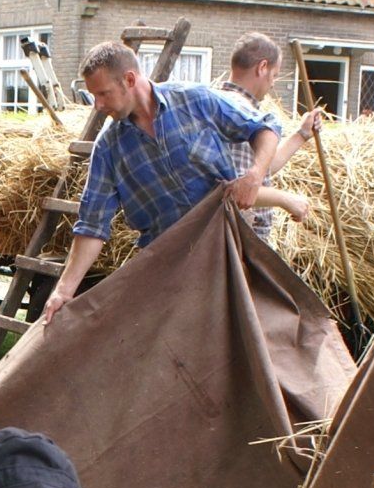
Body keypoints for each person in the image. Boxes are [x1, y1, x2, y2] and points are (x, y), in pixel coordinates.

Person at [43, 42, 279, 319]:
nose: (98, 105)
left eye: (103, 93)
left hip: (226, 249)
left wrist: (254, 175)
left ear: (130, 79)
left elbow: (265, 127)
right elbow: (92, 225)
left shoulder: (193, 100)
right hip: (167, 267)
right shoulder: (108, 148)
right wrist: (64, 290)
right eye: (94, 95)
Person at [220, 33, 323, 241]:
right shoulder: (237, 112)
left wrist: (302, 134)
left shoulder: (225, 105)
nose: (273, 84)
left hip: (239, 239)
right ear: (262, 68)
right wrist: (285, 199)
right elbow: (234, 189)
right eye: (274, 75)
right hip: (236, 242)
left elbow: (262, 169)